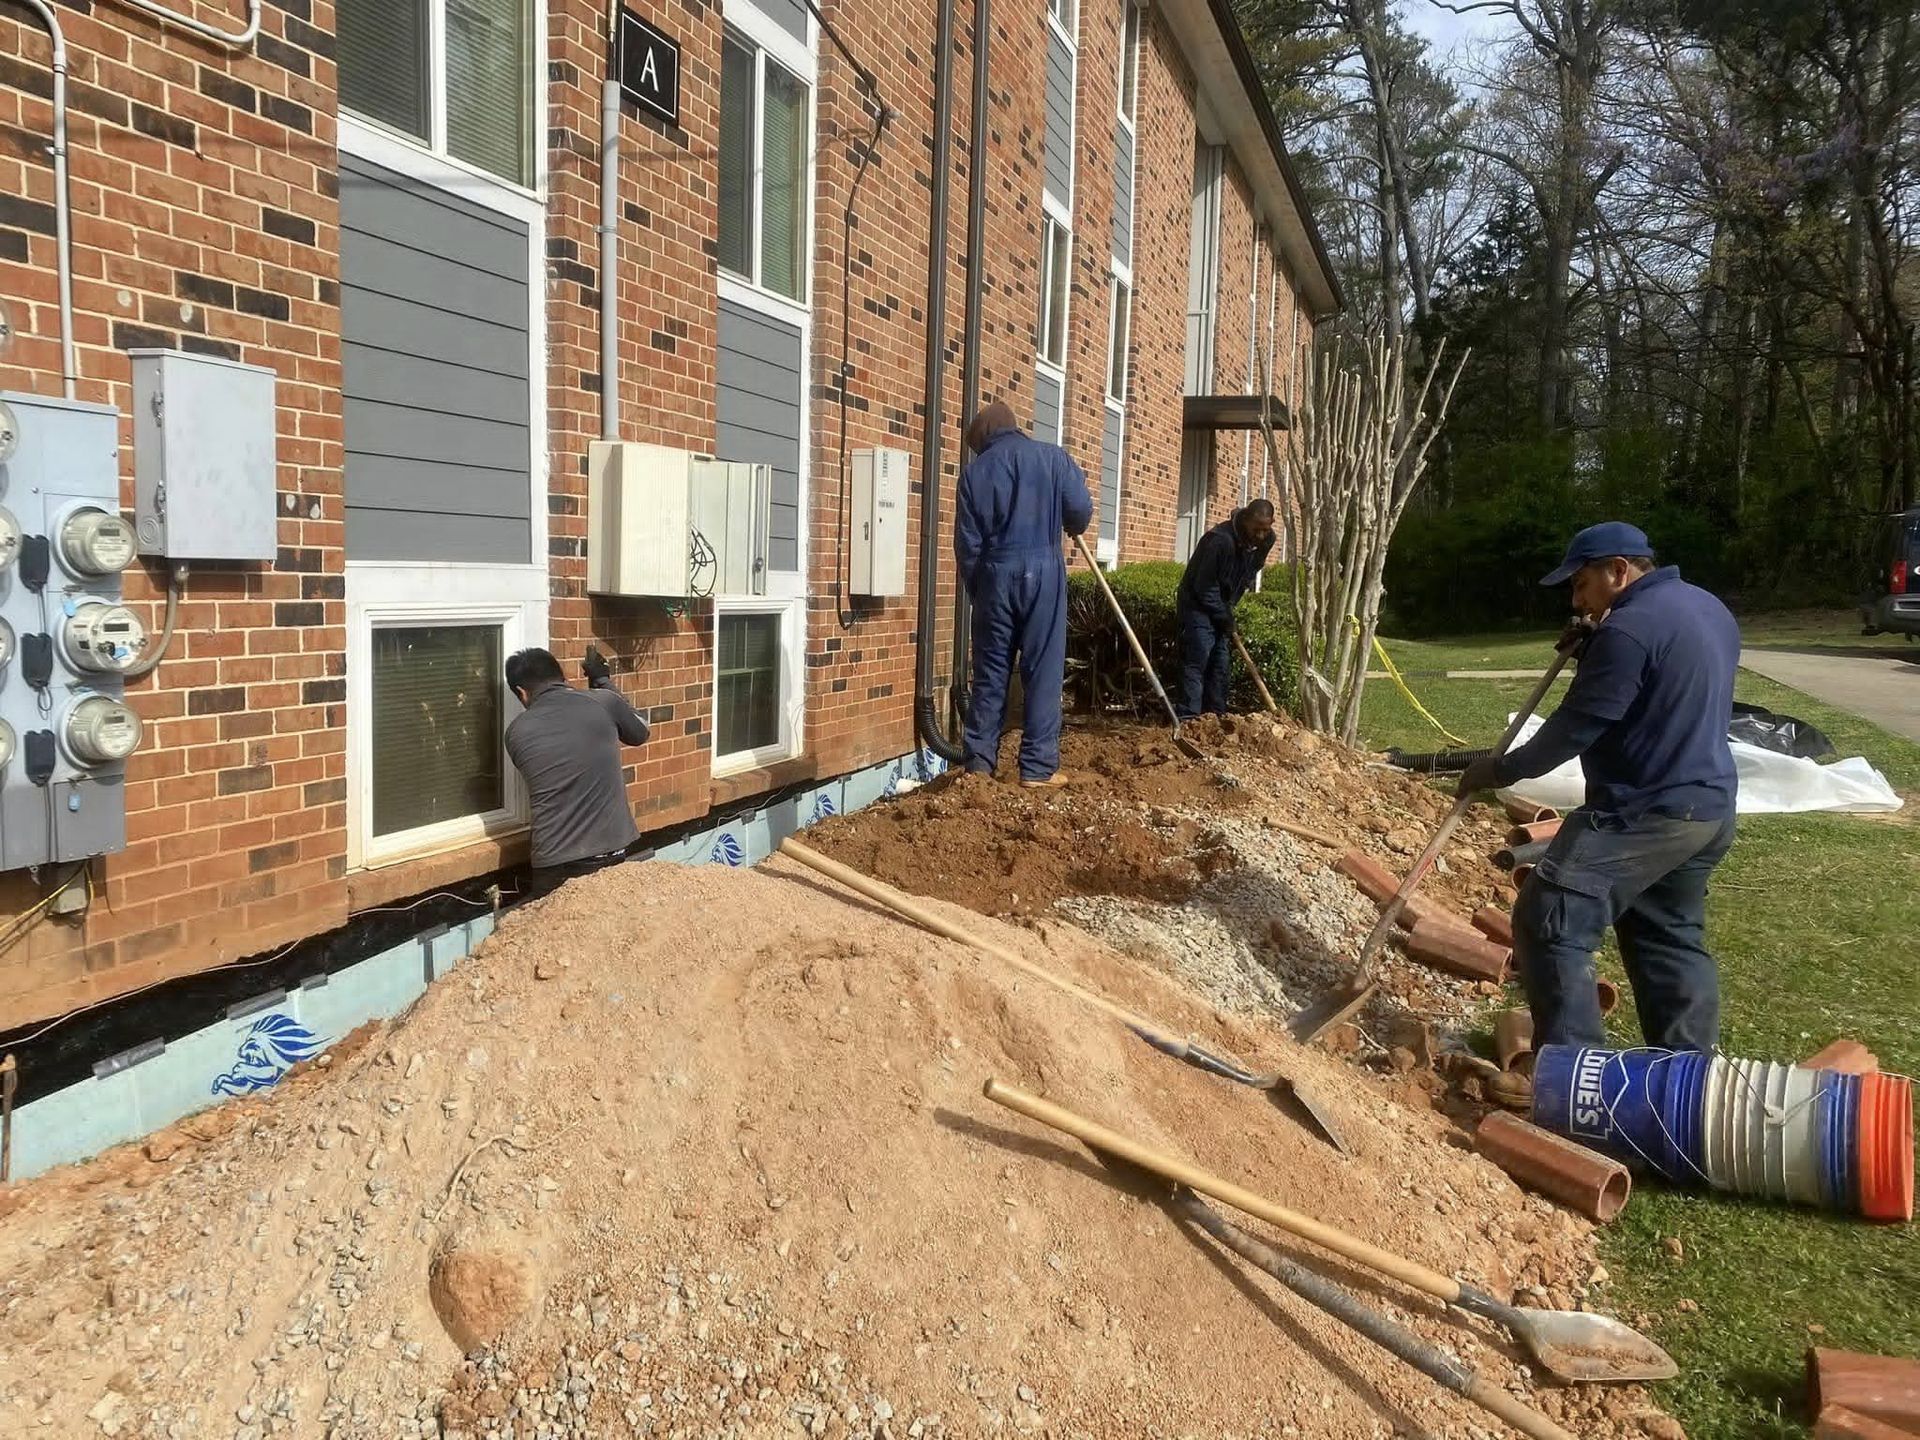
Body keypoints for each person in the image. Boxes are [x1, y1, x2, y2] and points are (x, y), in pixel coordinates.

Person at [1457, 522, 1740, 1094]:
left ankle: (1569, 1080)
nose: (1576, 598)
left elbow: (1575, 727)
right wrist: (1594, 648)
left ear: (1618, 570)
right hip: (1706, 808)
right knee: (1667, 937)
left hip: (1643, 812)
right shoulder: (1708, 609)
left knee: (1550, 919)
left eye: (1582, 583)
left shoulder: (1629, 631)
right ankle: (1688, 1085)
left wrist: (1501, 769)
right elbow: (1655, 688)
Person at [954, 399, 1094, 787]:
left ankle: (979, 766)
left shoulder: (973, 474)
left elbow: (967, 546)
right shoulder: (1053, 459)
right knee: (1043, 670)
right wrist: (1065, 519)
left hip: (994, 575)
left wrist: (981, 593)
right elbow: (1080, 513)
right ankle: (1036, 768)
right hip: (1043, 571)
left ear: (983, 439)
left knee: (990, 673)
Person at [504, 646, 651, 900]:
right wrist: (602, 681)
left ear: (522, 692)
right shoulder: (603, 701)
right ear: (563, 678)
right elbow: (640, 731)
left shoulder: (515, 732)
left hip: (551, 863)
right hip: (607, 856)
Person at [1175, 499, 1277, 717]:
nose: (1260, 535)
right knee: (1199, 656)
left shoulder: (1267, 539)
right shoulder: (1219, 541)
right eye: (1256, 529)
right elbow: (1204, 587)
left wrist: (1229, 605)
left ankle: (1216, 718)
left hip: (1222, 602)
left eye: (1265, 530)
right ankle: (1188, 719)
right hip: (1196, 603)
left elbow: (1252, 568)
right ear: (1246, 520)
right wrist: (1224, 615)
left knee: (1220, 662)